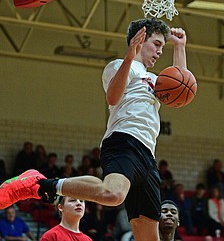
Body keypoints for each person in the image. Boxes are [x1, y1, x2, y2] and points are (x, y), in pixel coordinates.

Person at [0, 17, 188, 241]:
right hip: (123, 140)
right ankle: (41, 185)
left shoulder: (156, 79)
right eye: (156, 44)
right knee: (113, 194)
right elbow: (112, 97)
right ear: (140, 39)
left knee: (149, 237)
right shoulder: (119, 65)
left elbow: (181, 88)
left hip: (148, 154)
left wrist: (180, 47)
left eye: (162, 47)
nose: (159, 52)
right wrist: (130, 56)